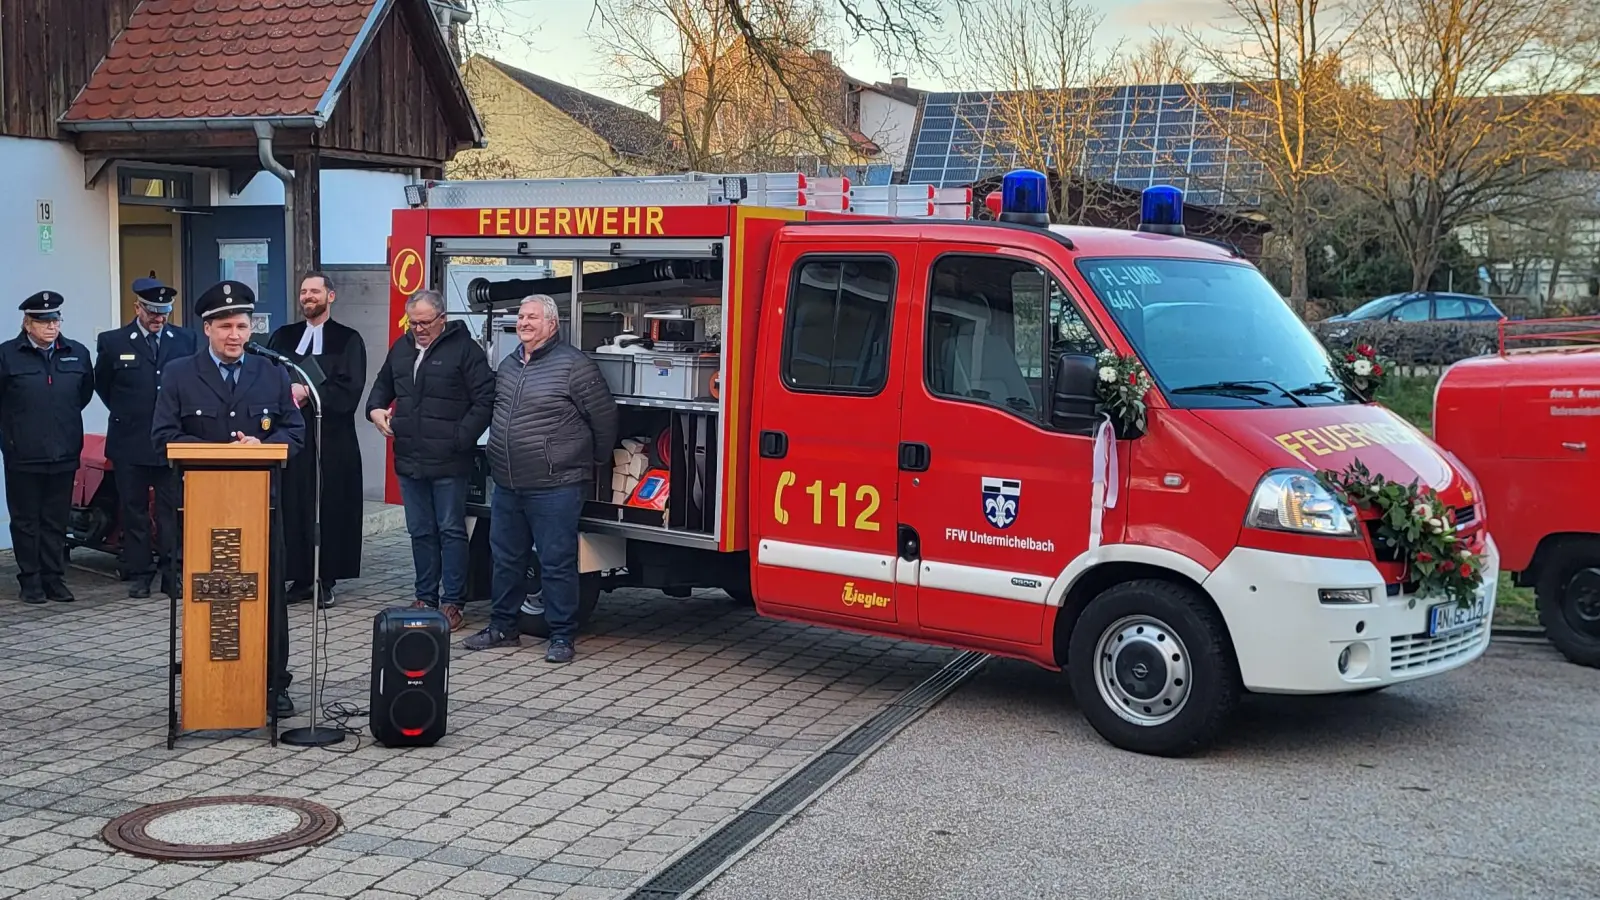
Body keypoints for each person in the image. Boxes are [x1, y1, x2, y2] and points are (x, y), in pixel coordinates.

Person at [153, 280, 305, 717]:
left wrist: (264, 446)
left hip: (260, 505)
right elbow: (163, 437)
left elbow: (294, 431)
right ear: (207, 329)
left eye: (242, 326)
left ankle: (273, 683)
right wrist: (217, 451)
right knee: (212, 594)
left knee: (267, 594)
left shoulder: (272, 372)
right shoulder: (180, 374)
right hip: (203, 506)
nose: (235, 335)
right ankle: (209, 681)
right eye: (225, 327)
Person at [464, 295, 617, 662]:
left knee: (556, 562)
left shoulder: (575, 366)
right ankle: (503, 626)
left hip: (556, 484)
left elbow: (605, 418)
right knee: (505, 559)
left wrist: (592, 460)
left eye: (532, 317)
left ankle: (562, 636)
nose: (524, 323)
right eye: (521, 316)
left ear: (552, 324)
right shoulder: (509, 363)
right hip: (508, 482)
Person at [366, 289, 495, 632]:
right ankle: (425, 597)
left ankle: (453, 602)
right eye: (413, 323)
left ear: (442, 319)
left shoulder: (465, 350)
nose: (419, 329)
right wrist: (375, 409)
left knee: (450, 530)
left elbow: (485, 399)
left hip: (449, 460)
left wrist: (460, 438)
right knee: (420, 530)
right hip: (409, 456)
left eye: (425, 323)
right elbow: (382, 385)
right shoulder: (402, 347)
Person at [94, 277, 199, 599]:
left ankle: (172, 572)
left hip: (170, 441)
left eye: (164, 312)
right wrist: (131, 413)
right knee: (134, 510)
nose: (159, 318)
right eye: (152, 312)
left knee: (171, 511)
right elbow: (103, 386)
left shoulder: (185, 339)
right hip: (130, 439)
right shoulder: (113, 341)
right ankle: (139, 572)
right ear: (137, 307)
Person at [267, 272, 367, 608]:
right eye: (304, 291)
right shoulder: (283, 336)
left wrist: (308, 391)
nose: (308, 296)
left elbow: (350, 388)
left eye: (315, 291)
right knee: (293, 505)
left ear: (330, 296)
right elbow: (266, 374)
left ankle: (324, 579)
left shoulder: (348, 339)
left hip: (332, 440)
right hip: (292, 437)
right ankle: (297, 577)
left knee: (329, 505)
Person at [0, 291, 95, 603]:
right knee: (26, 521)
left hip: (64, 452)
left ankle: (53, 578)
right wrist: (12, 437)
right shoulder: (7, 355)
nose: (52, 326)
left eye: (56, 320)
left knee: (56, 520)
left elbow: (82, 395)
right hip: (23, 454)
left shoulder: (77, 353)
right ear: (28, 323)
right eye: (44, 321)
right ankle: (30, 580)